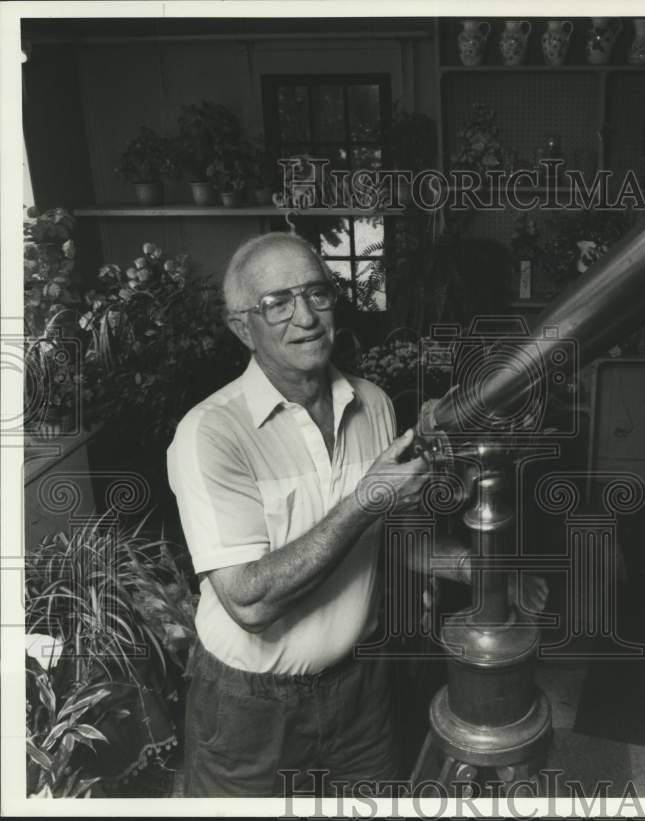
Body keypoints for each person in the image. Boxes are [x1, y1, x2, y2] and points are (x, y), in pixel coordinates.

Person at [167, 232, 436, 797]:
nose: (305, 317)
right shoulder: (212, 433)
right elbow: (249, 601)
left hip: (361, 691)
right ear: (243, 326)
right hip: (249, 708)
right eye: (277, 303)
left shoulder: (374, 403)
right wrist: (367, 499)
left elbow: (395, 546)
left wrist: (483, 569)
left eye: (316, 294)